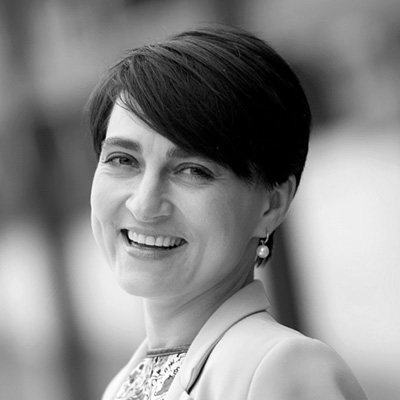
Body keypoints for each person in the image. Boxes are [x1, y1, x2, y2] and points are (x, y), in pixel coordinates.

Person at [86, 24, 368, 400]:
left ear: (271, 205)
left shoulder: (283, 368)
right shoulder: (122, 386)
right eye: (123, 160)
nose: (144, 204)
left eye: (193, 171)